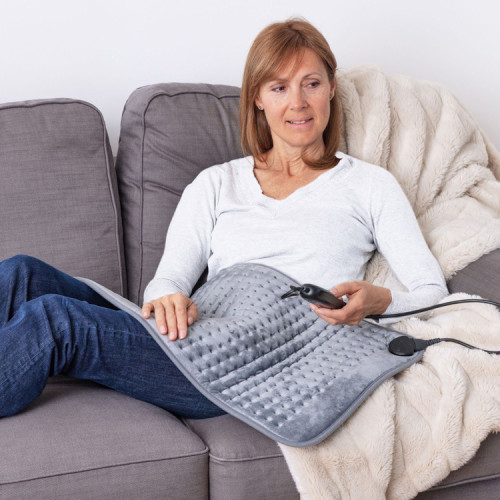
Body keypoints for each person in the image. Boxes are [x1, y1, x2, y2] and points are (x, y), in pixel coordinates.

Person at [0, 19, 447, 419]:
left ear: (331, 87)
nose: (298, 102)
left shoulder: (370, 185)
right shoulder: (216, 183)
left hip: (255, 366)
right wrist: (170, 298)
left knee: (56, 321)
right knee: (21, 273)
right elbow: (168, 279)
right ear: (257, 99)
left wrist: (378, 302)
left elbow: (436, 296)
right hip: (201, 339)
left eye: (311, 83)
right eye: (279, 88)